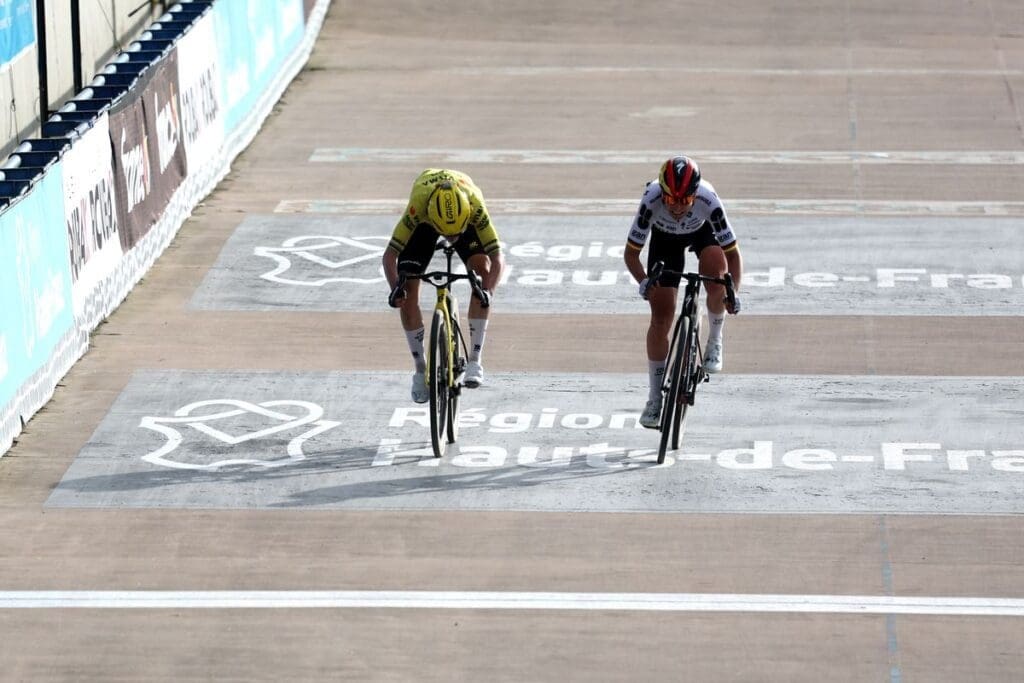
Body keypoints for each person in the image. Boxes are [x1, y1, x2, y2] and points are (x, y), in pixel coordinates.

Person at [623, 155, 743, 429]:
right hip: (665, 241)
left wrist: (733, 292)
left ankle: (715, 338)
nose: (677, 207)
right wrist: (643, 281)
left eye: (685, 200)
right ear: (662, 194)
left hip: (702, 233)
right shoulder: (651, 200)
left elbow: (733, 255)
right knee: (660, 318)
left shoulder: (708, 200)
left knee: (717, 280)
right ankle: (654, 398)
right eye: (671, 200)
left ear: (695, 195)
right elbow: (631, 255)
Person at [383, 169, 504, 403]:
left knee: (483, 275)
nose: (452, 239)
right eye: (448, 235)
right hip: (425, 226)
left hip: (462, 218)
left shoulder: (474, 204)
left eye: (457, 234)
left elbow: (498, 258)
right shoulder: (419, 206)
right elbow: (389, 256)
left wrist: (487, 291)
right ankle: (420, 369)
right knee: (407, 290)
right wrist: (395, 288)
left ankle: (475, 361)